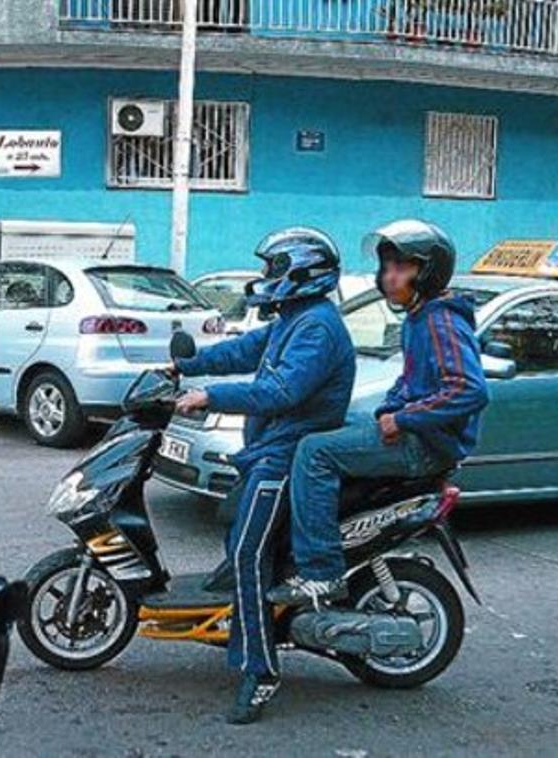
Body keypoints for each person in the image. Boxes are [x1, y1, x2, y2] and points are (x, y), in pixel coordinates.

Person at [172, 228, 356, 725]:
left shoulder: (318, 327)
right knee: (239, 542)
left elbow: (280, 391)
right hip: (266, 451)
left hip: (285, 456)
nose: (265, 278)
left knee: (249, 554)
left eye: (274, 269)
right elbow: (245, 350)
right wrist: (187, 364)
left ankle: (261, 669)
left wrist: (210, 396)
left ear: (301, 272)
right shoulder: (294, 319)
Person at [269, 219, 489, 609]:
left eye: (401, 268)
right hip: (420, 434)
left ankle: (321, 572)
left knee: (312, 452)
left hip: (428, 444)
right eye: (386, 267)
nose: (390, 277)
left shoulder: (440, 320)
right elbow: (409, 383)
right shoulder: (420, 318)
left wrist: (403, 420)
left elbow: (467, 389)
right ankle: (330, 532)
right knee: (327, 427)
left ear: (428, 272)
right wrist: (389, 410)